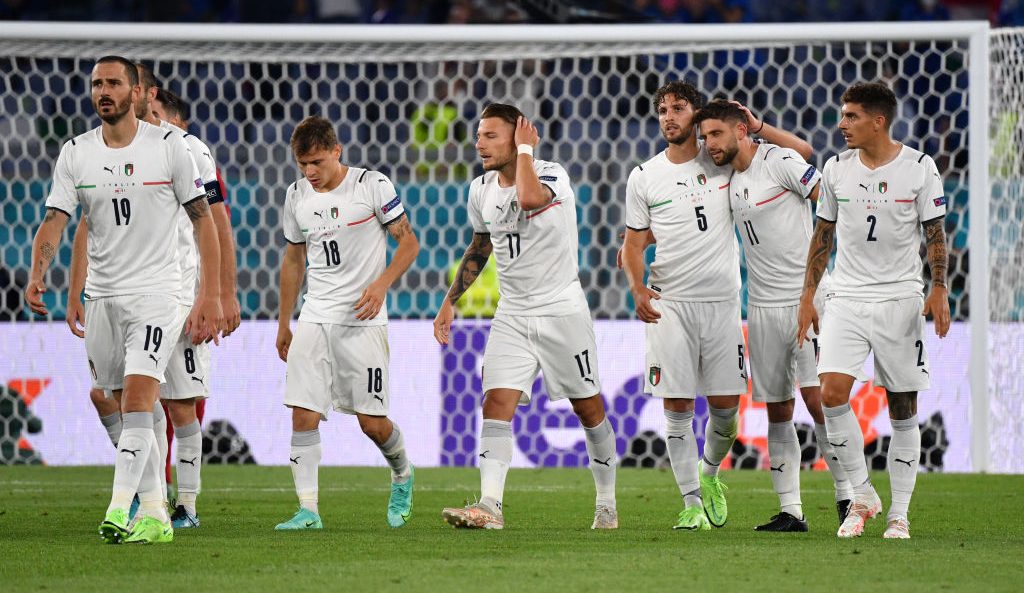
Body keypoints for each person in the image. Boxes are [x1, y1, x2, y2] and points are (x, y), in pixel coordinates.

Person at [28, 55, 222, 544]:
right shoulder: (76, 152)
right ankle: (155, 511)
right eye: (97, 84)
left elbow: (205, 220)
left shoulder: (172, 147)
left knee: (141, 396)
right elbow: (57, 221)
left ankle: (120, 508)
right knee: (114, 399)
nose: (103, 91)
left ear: (137, 92)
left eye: (114, 83)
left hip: (160, 292)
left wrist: (211, 294)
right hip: (104, 296)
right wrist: (39, 274)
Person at [620, 81, 811, 531]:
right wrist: (636, 286)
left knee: (726, 413)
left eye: (678, 108)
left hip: (723, 304)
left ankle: (708, 474)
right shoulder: (644, 176)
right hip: (671, 304)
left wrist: (757, 126)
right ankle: (690, 505)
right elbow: (632, 243)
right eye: (662, 110)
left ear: (698, 115)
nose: (669, 117)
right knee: (677, 408)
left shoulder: (723, 161)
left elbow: (801, 151)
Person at [434, 104, 618, 530]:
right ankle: (490, 506)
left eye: (491, 136)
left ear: (518, 137)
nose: (479, 144)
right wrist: (450, 300)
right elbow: (481, 245)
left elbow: (530, 198)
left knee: (588, 409)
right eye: (478, 135)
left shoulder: (551, 174)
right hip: (513, 313)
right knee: (496, 402)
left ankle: (607, 502)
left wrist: (525, 152)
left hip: (561, 310)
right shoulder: (480, 188)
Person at [797, 82, 950, 539]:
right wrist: (807, 296)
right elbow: (822, 236)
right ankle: (863, 494)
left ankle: (899, 513)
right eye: (843, 115)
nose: (842, 124)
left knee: (902, 405)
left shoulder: (919, 167)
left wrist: (939, 287)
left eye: (851, 116)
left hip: (900, 297)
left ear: (878, 121)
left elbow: (935, 233)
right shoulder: (836, 169)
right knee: (830, 394)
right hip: (846, 296)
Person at [694, 99, 853, 532]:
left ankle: (848, 497)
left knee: (820, 402)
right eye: (704, 137)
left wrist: (814, 289)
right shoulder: (726, 178)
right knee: (778, 410)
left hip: (808, 300)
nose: (709, 144)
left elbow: (829, 203)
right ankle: (791, 511)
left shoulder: (780, 161)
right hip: (762, 308)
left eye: (716, 134)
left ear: (740, 130)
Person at [275, 115, 420, 530]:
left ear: (336, 151)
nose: (310, 172)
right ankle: (308, 511)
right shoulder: (296, 195)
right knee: (303, 413)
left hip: (362, 321)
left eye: (317, 162)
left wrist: (381, 285)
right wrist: (284, 322)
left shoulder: (371, 186)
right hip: (315, 316)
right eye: (302, 164)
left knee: (372, 423)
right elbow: (293, 260)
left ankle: (403, 473)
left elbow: (409, 243)